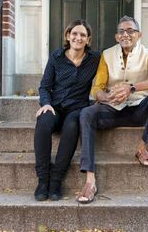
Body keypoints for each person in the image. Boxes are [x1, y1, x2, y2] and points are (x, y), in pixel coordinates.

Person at [76, 16, 148, 204]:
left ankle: (143, 147)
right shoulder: (107, 55)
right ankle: (89, 180)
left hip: (138, 110)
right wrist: (106, 96)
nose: (125, 35)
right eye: (121, 31)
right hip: (112, 110)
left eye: (130, 31)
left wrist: (132, 88)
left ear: (139, 35)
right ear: (116, 36)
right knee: (86, 113)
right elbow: (97, 88)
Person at [34, 20, 100, 201]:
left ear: (88, 40)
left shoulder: (95, 59)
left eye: (83, 35)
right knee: (43, 120)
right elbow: (45, 86)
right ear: (67, 36)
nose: (78, 37)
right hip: (55, 106)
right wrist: (46, 104)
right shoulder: (56, 57)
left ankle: (56, 180)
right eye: (75, 34)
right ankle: (42, 179)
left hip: (77, 108)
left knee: (72, 126)